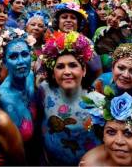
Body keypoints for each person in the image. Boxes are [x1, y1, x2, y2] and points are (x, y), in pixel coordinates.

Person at [37, 31, 100, 165]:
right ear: (53, 73)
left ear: (83, 71)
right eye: (60, 67)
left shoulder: (98, 102)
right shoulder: (44, 89)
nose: (67, 72)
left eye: (73, 65)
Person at [0, 28, 38, 162]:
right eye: (13, 56)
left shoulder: (31, 76)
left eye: (25, 54)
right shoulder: (3, 98)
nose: (21, 61)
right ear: (4, 62)